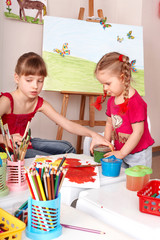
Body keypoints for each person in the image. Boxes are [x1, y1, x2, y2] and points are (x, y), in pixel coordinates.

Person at [0, 52, 111, 158]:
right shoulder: (6, 101)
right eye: (29, 80)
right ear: (17, 78)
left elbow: (66, 124)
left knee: (67, 148)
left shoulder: (38, 102)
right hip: (6, 149)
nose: (35, 86)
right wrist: (6, 139)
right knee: (50, 160)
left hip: (24, 143)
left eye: (40, 81)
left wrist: (93, 135)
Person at [94, 52, 154, 168]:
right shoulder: (112, 100)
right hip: (121, 150)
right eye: (103, 84)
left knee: (138, 182)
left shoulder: (135, 102)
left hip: (138, 154)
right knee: (122, 181)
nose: (105, 88)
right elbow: (109, 123)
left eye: (108, 83)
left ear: (122, 78)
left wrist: (122, 153)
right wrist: (106, 144)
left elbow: (138, 132)